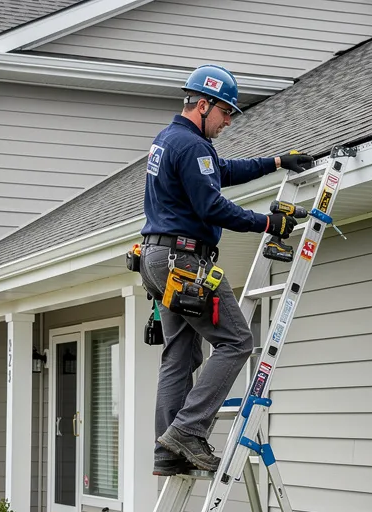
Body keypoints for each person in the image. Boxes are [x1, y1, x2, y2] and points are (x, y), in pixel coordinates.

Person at [139, 64, 315, 475]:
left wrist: (274, 162)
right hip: (183, 261)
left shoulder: (170, 141)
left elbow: (221, 171)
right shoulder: (192, 146)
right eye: (225, 111)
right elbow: (213, 206)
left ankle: (167, 451)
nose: (229, 120)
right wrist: (268, 224)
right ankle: (187, 430)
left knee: (179, 356)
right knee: (237, 342)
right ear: (204, 104)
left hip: (157, 259)